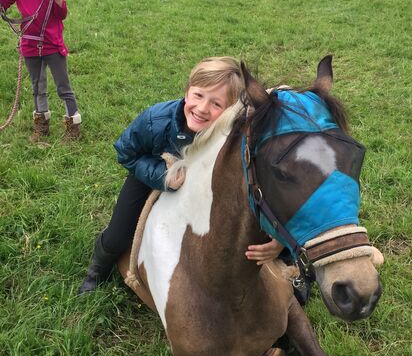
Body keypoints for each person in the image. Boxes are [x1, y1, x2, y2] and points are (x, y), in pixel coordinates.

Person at [79, 56, 283, 294]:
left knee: (249, 233)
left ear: (229, 111)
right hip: (154, 171)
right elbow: (126, 153)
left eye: (216, 104)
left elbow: (256, 179)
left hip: (207, 184)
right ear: (187, 92)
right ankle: (97, 270)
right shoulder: (156, 120)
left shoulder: (233, 136)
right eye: (198, 95)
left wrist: (276, 236)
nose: (202, 108)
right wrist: (162, 176)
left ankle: (292, 270)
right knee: (117, 235)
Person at [0, 0, 81, 142]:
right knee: (38, 88)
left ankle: (73, 126)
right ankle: (41, 127)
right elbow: (4, 3)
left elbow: (61, 14)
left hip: (52, 44)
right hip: (29, 44)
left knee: (64, 88)